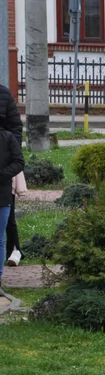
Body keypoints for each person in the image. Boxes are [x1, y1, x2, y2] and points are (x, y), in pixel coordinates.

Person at [0, 126, 24, 297]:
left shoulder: (7, 137)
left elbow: (19, 162)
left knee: (0, 238)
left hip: (2, 195)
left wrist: (1, 175)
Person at [1, 84, 22, 269]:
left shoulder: (3, 93)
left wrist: (10, 150)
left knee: (7, 213)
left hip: (5, 165)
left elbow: (16, 125)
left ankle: (14, 249)